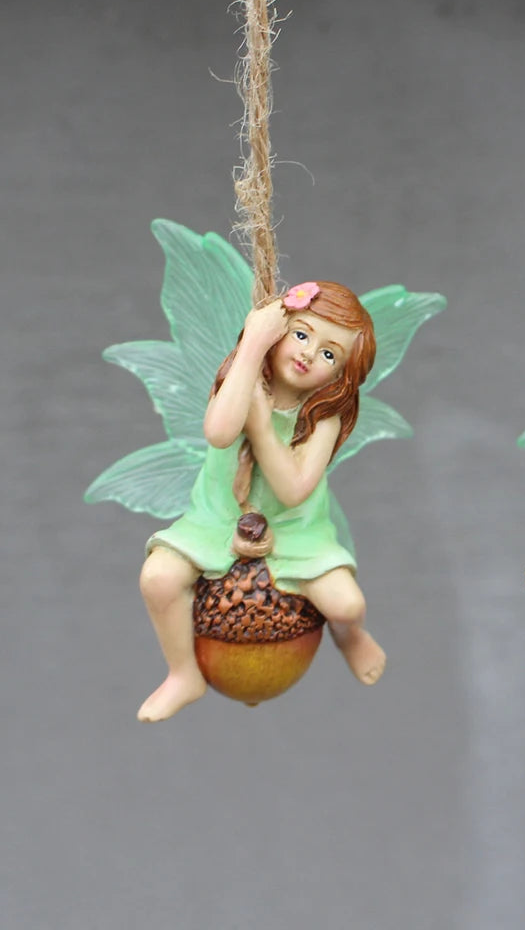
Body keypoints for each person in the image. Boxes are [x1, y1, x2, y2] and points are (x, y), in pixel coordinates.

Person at [137, 280, 382, 723]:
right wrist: (252, 344)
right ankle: (183, 673)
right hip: (216, 520)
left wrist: (264, 427)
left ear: (341, 375)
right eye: (301, 334)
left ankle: (351, 638)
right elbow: (219, 433)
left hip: (295, 530)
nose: (309, 354)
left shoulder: (323, 418)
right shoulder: (242, 382)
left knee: (348, 605)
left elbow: (292, 490)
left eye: (330, 355)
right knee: (158, 578)